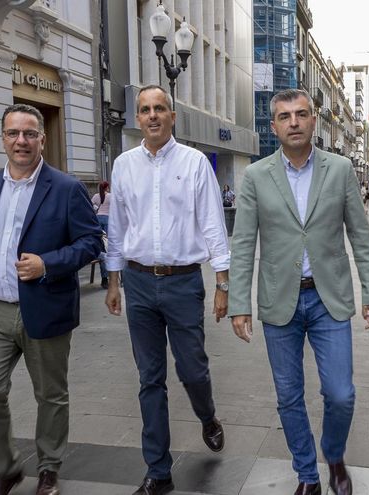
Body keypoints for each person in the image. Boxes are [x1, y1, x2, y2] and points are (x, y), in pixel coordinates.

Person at [228, 89, 369, 495]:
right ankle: (307, 475)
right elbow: (243, 243)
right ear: (274, 125)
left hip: (328, 300)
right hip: (279, 301)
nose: (294, 122)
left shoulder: (341, 169)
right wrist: (238, 304)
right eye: (284, 116)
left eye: (301, 114)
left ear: (314, 120)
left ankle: (333, 453)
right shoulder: (256, 176)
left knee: (341, 393)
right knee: (288, 395)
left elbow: (360, 237)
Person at [0, 103, 103, 495]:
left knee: (50, 395)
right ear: (3, 139)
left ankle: (48, 467)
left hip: (45, 307)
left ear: (42, 138)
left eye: (29, 133)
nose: (21, 141)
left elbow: (92, 242)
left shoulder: (66, 187)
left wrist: (49, 264)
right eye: (13, 133)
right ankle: (5, 467)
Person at [104, 85, 229, 495]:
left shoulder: (194, 163)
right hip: (138, 283)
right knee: (149, 379)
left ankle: (207, 415)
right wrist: (114, 280)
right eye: (145, 110)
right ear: (137, 118)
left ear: (172, 116)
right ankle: (158, 471)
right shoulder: (123, 165)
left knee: (192, 368)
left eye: (160, 108)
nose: (153, 115)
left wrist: (222, 283)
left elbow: (213, 222)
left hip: (183, 282)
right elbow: (118, 227)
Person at [92, 181, 111, 288]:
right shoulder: (110, 196)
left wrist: (97, 209)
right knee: (107, 242)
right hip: (107, 219)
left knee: (101, 243)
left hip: (98, 218)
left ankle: (105, 277)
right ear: (107, 187)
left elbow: (91, 205)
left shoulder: (95, 196)